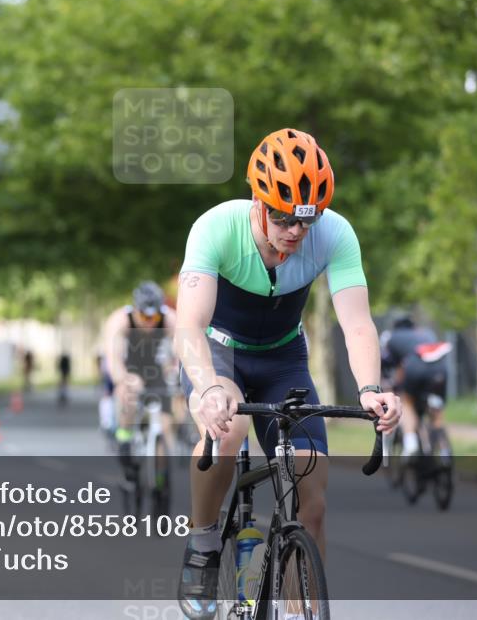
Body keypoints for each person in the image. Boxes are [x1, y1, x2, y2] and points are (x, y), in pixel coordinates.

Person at [174, 128, 400, 619]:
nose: (295, 232)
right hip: (220, 354)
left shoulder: (335, 234)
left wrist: (370, 389)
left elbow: (357, 322)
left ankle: (297, 610)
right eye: (281, 218)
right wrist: (209, 388)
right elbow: (189, 324)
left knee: (311, 501)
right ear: (258, 202)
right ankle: (204, 542)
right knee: (228, 429)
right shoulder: (216, 227)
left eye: (306, 220)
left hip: (283, 359)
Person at [102, 281, 178, 481]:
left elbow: (184, 350)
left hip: (156, 370)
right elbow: (114, 359)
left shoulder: (169, 319)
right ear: (136, 310)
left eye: (155, 316)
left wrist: (179, 371)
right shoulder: (120, 321)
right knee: (126, 395)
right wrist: (124, 379)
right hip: (129, 369)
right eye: (145, 316)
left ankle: (160, 479)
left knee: (165, 423)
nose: (150, 321)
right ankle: (124, 438)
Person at [380, 314, 452, 458]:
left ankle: (410, 442)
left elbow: (393, 366)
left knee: (406, 402)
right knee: (436, 410)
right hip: (440, 369)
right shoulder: (425, 334)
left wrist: (390, 385)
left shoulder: (391, 337)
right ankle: (445, 452)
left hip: (416, 368)